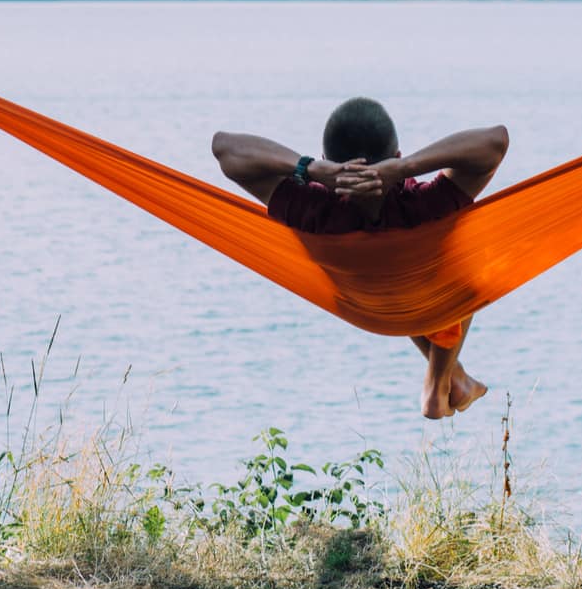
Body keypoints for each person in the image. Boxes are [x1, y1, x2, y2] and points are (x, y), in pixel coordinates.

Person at [210, 99, 509, 419]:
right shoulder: (425, 205)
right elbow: (496, 141)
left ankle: (456, 378)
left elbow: (225, 148)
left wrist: (308, 167)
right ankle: (438, 384)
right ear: (395, 157)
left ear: (328, 161)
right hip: (422, 304)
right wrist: (407, 167)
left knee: (392, 276)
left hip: (362, 306)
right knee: (469, 268)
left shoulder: (311, 208)